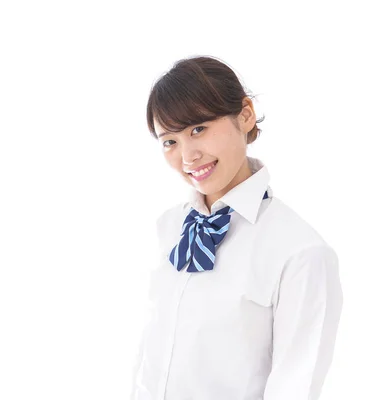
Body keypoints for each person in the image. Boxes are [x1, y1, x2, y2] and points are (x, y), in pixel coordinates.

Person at [130, 56, 343, 400]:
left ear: (245, 114)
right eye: (170, 141)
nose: (187, 156)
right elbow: (151, 358)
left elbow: (294, 388)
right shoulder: (169, 227)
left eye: (198, 129)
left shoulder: (301, 253)